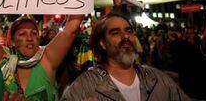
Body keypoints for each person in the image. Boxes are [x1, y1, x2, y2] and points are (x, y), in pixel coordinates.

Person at [60, 12, 191, 101]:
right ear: (103, 44)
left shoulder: (158, 79)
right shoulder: (83, 86)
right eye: (115, 33)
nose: (126, 36)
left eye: (129, 31)